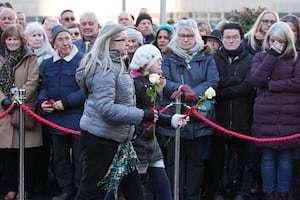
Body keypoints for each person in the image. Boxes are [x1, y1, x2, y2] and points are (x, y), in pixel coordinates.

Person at [74, 23, 160, 200]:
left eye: (129, 40)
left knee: (134, 191)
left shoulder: (118, 63)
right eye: (123, 40)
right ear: (110, 42)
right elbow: (106, 108)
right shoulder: (104, 68)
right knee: (91, 191)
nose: (128, 44)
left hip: (121, 139)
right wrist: (142, 115)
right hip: (100, 138)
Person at [158, 18, 219, 200]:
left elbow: (213, 80)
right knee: (174, 162)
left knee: (195, 163)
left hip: (199, 116)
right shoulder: (168, 56)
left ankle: (192, 196)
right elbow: (163, 80)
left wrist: (194, 92)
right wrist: (181, 89)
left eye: (190, 36)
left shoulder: (206, 56)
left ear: (197, 37)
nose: (186, 39)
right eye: (182, 35)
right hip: (173, 115)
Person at [250, 21, 300, 200]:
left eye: (281, 42)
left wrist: (271, 85)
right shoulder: (260, 57)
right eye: (273, 41)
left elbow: (298, 82)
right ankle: (270, 194)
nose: (277, 45)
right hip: (266, 115)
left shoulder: (297, 57)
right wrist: (271, 56)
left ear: (288, 41)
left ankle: (284, 194)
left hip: (290, 115)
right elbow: (256, 81)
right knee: (267, 157)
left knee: (286, 158)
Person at [38, 25, 85, 200]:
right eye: (61, 39)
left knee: (80, 158)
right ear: (53, 43)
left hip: (77, 118)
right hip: (55, 119)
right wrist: (42, 102)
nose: (65, 43)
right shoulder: (48, 64)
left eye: (68, 38)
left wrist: (66, 102)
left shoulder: (83, 60)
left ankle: (81, 190)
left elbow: (86, 90)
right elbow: (43, 87)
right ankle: (66, 189)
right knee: (60, 157)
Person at [211, 22, 254, 200]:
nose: (231, 40)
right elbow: (215, 82)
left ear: (241, 38)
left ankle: (238, 190)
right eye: (227, 37)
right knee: (218, 157)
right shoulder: (214, 58)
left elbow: (248, 84)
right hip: (219, 116)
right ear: (222, 39)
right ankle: (218, 189)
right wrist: (233, 80)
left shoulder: (250, 59)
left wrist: (225, 91)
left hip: (241, 114)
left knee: (240, 156)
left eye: (235, 37)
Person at [0, 24, 42, 200]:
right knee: (7, 154)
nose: (12, 42)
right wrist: (4, 99)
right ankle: (11, 188)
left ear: (21, 40)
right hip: (4, 109)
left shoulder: (30, 57)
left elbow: (33, 81)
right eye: (9, 39)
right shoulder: (1, 58)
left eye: (15, 39)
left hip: (24, 109)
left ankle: (24, 187)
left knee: (26, 154)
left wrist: (17, 99)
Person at [24, 21, 56, 193]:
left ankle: (43, 184)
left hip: (44, 109)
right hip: (27, 108)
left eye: (40, 35)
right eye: (33, 35)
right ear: (27, 38)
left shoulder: (50, 57)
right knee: (29, 148)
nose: (37, 38)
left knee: (45, 147)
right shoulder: (23, 57)